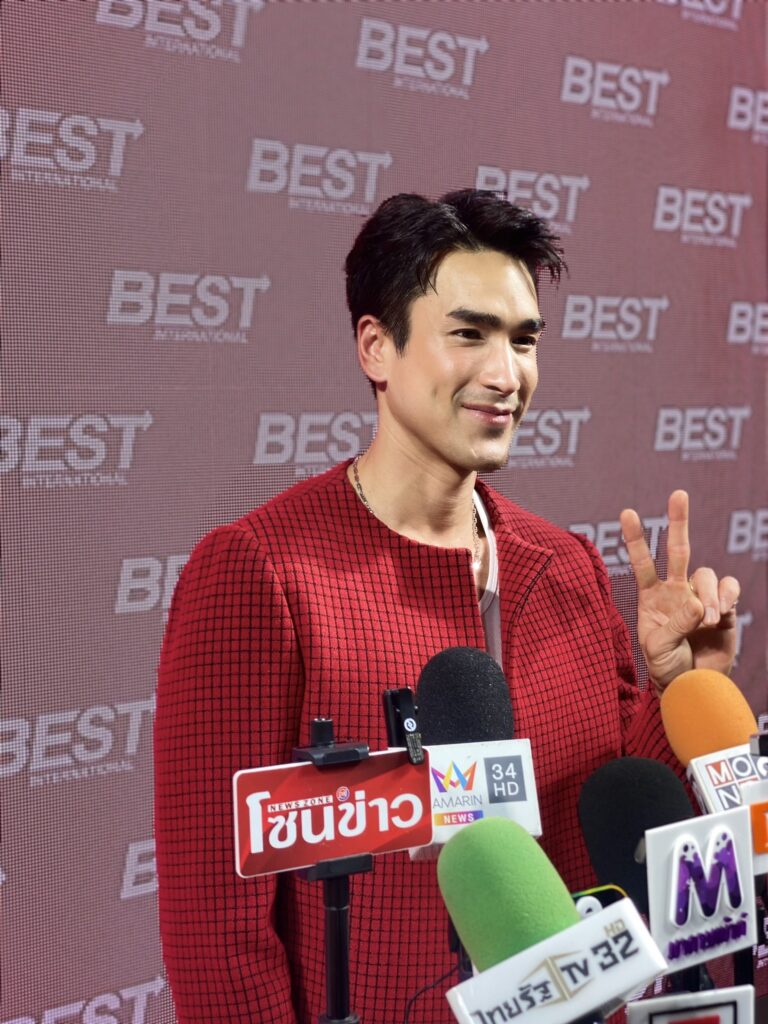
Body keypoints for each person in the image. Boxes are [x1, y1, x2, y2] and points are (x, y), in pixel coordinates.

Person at [154, 190, 740, 1024]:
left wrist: (675, 684)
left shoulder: (564, 563)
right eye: (470, 334)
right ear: (376, 347)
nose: (506, 375)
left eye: (524, 340)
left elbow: (620, 825)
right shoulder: (261, 572)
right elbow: (216, 927)